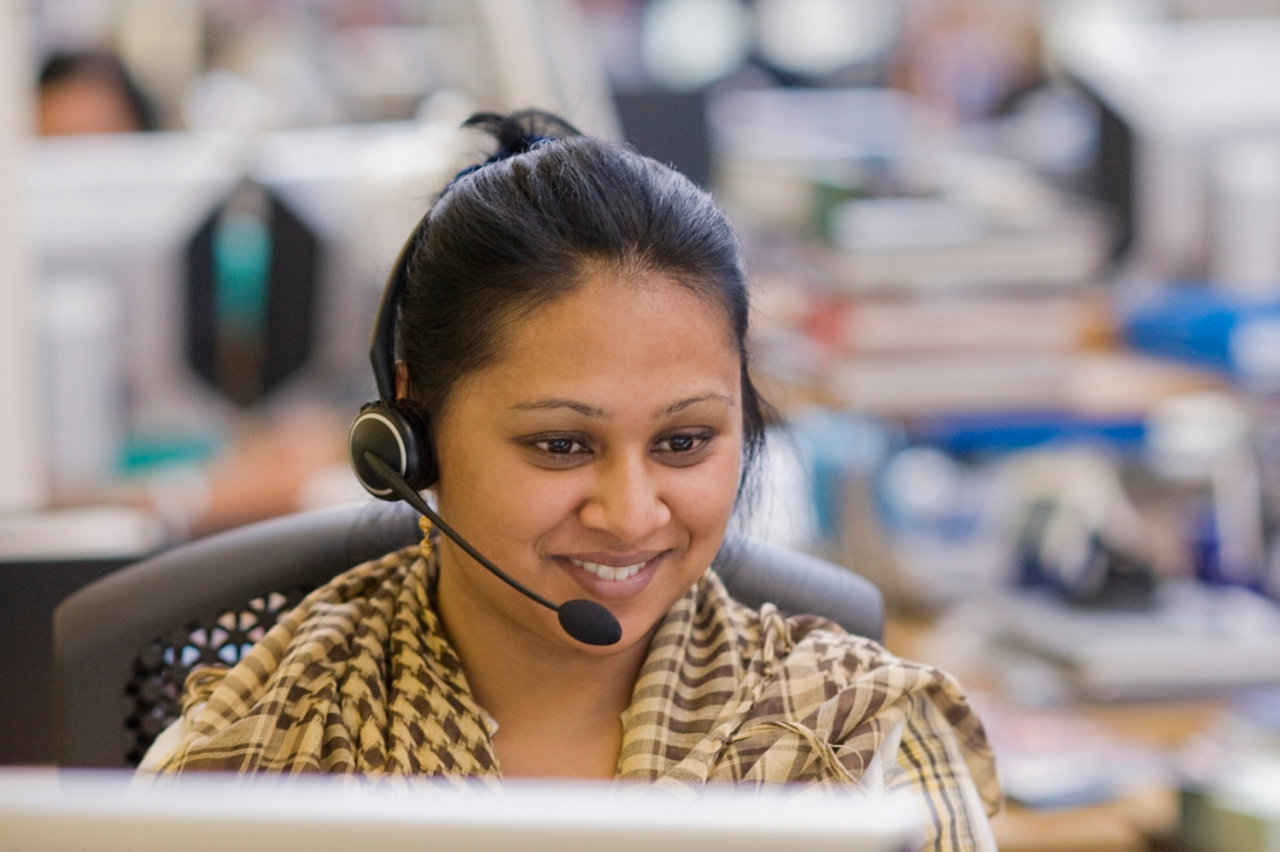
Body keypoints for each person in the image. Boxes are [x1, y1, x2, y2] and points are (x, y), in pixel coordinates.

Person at [140, 110, 1000, 849]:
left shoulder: (860, 737)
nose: (630, 514)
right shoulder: (254, 758)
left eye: (686, 441)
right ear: (414, 430)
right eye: (560, 445)